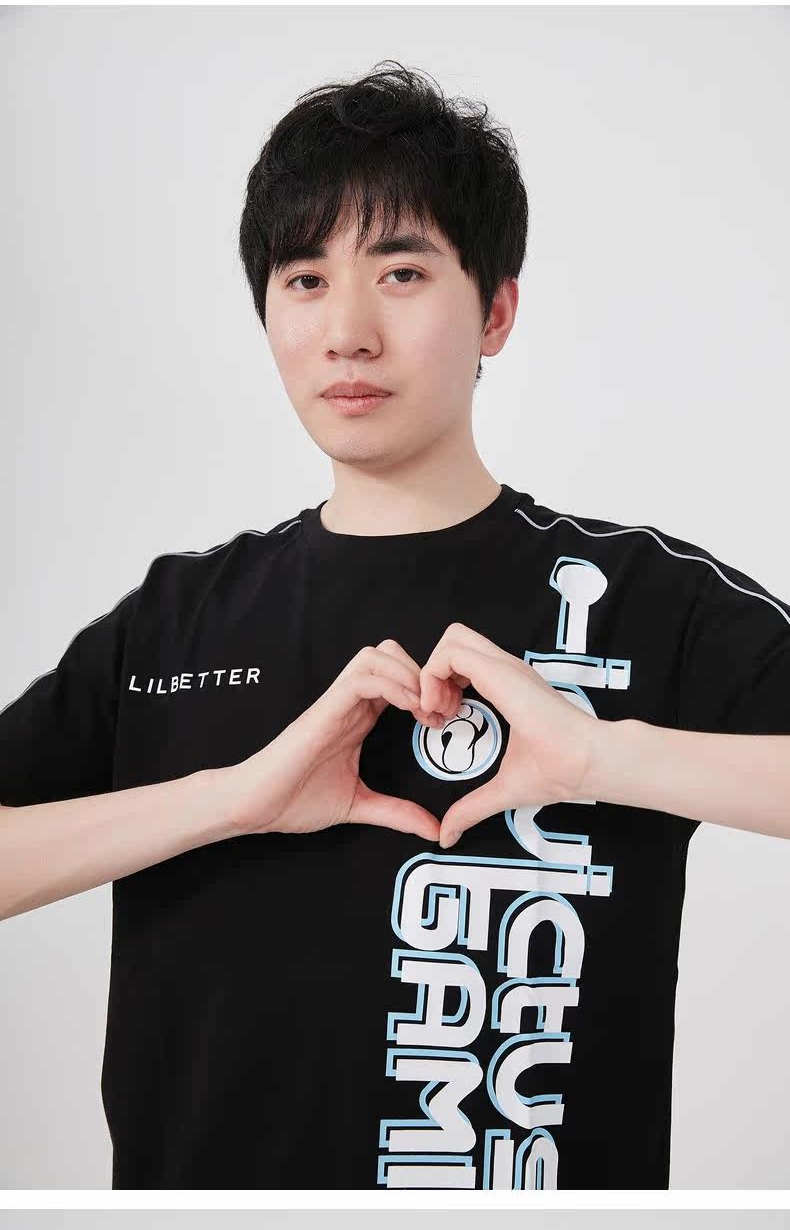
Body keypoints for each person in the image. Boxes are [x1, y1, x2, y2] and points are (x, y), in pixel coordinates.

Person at [1, 62, 789, 1191]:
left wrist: (601, 758)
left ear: (496, 311)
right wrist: (233, 799)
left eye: (403, 272)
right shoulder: (174, 620)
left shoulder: (640, 596)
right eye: (305, 279)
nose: (348, 332)